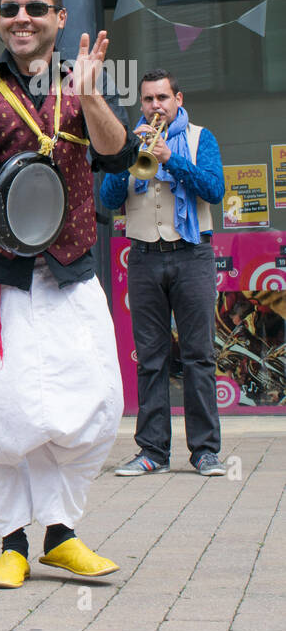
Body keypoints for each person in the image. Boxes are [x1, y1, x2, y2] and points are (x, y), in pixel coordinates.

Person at [0, 0, 138, 589]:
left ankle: (60, 534)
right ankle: (10, 543)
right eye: (8, 9)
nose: (19, 18)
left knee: (91, 400)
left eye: (34, 8)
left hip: (69, 269)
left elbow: (117, 155)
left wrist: (92, 97)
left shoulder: (82, 79)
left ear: (58, 18)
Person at [101, 69, 226, 478]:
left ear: (178, 99)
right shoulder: (130, 141)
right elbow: (107, 199)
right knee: (150, 359)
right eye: (149, 99)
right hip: (143, 257)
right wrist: (126, 155)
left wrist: (173, 160)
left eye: (162, 98)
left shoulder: (199, 138)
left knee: (198, 357)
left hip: (192, 254)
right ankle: (152, 451)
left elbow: (214, 189)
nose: (156, 106)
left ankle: (205, 452)